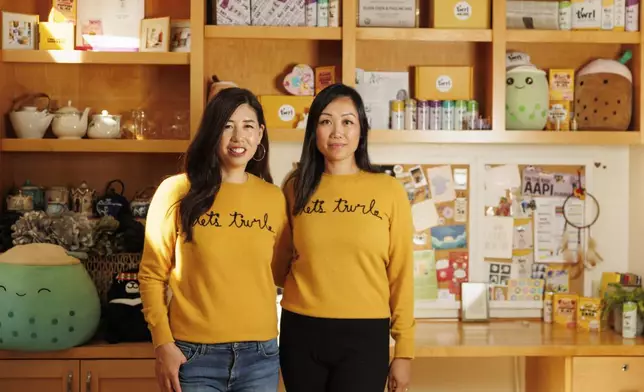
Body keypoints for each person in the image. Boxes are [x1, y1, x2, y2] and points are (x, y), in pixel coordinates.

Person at [138, 87, 291, 392]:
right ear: (212, 132)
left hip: (260, 356)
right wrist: (162, 344)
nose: (238, 137)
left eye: (248, 126)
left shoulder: (273, 198)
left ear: (260, 134)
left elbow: (282, 273)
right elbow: (151, 275)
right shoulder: (177, 191)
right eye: (227, 126)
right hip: (194, 356)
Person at [275, 83, 415, 392]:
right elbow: (278, 264)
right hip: (301, 330)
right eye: (326, 121)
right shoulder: (295, 188)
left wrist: (404, 349)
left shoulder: (388, 191)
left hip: (365, 335)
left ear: (361, 131)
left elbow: (401, 273)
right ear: (314, 131)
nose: (337, 131)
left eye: (347, 122)